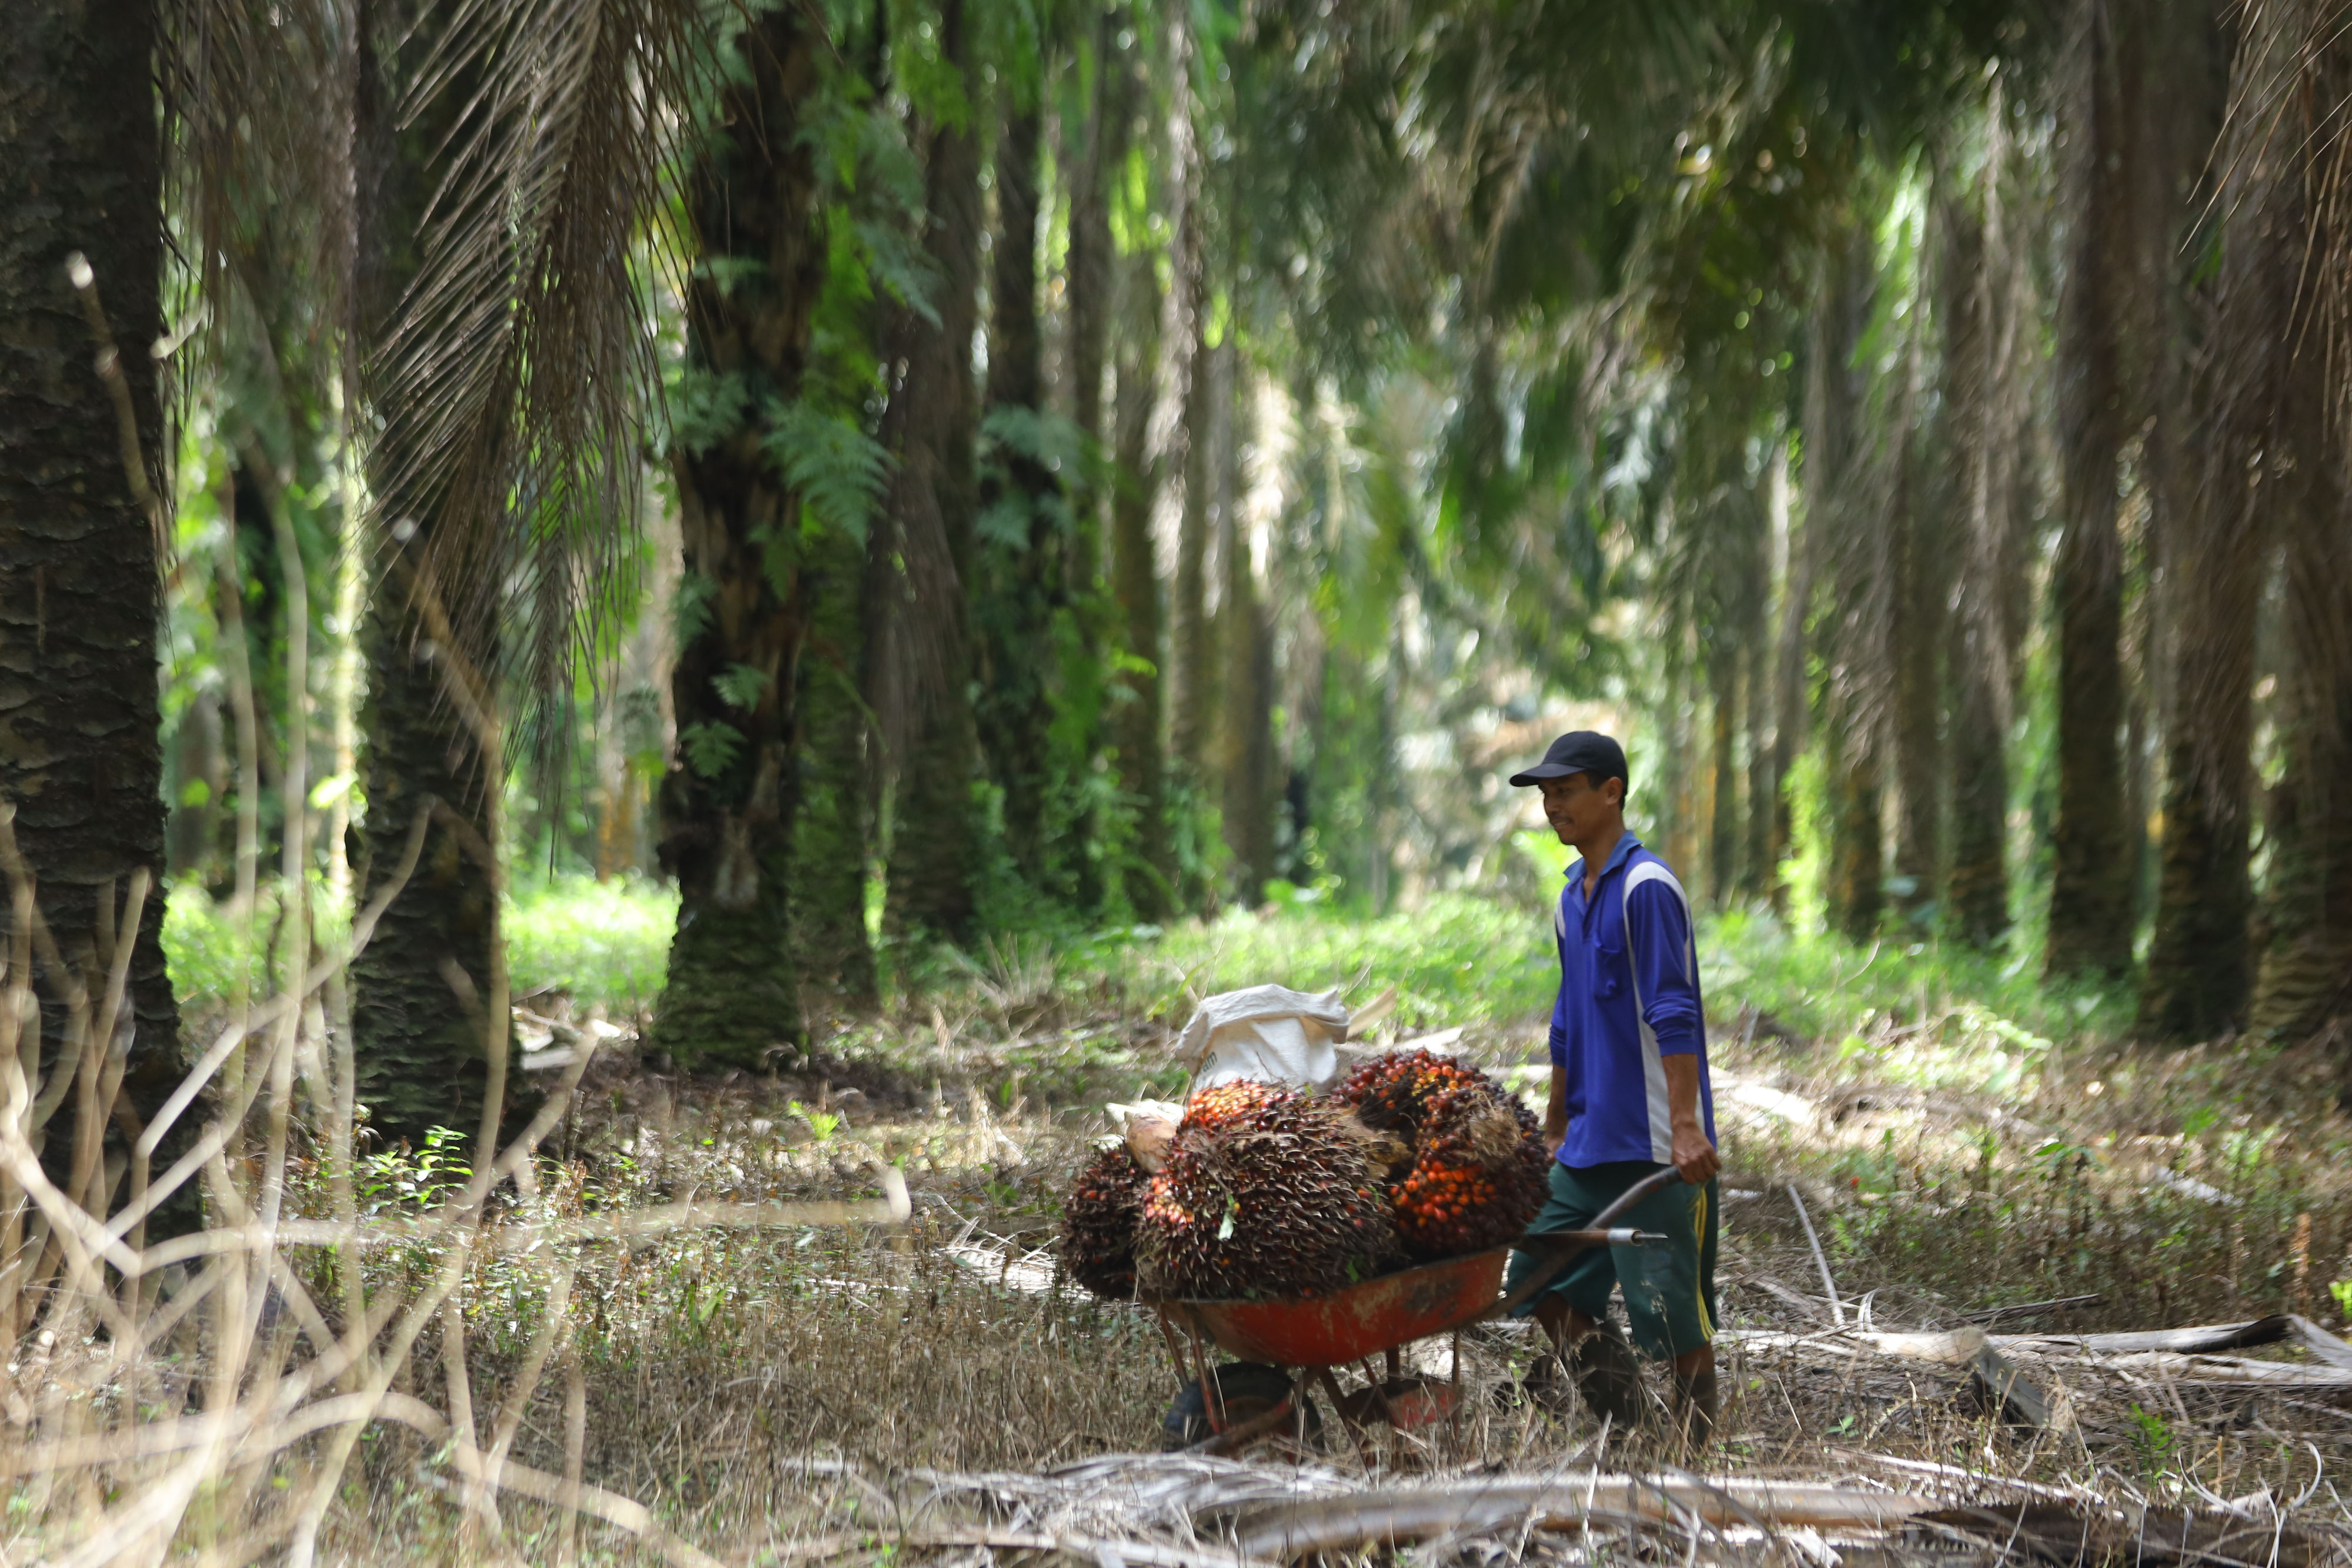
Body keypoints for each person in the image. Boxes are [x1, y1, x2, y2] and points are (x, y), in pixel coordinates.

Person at [1502, 730, 1721, 1447]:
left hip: (1656, 1144)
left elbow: (1673, 1009)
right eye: (1545, 795)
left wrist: (1685, 1126)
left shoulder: (1646, 888)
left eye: (1564, 791)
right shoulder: (1571, 899)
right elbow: (1567, 1018)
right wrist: (1556, 1121)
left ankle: (1695, 1451)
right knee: (1532, 1276)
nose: (1551, 806)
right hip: (1589, 1142)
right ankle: (1623, 1416)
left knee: (1672, 1313)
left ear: (1611, 792)